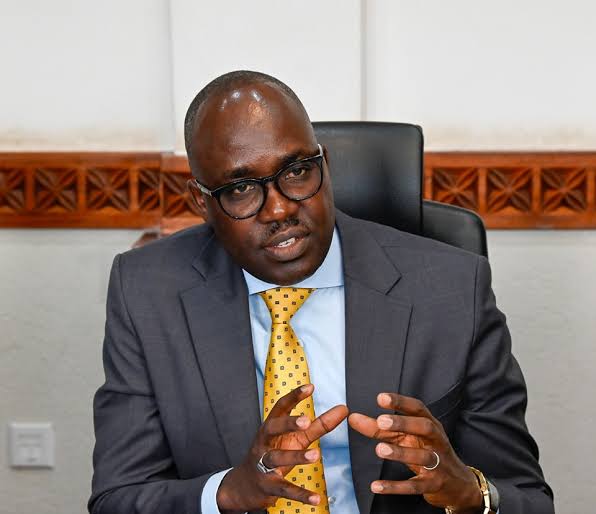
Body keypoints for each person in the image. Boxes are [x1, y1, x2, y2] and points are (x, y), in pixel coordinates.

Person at [89, 71, 554, 514]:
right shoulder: (147, 292)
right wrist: (227, 493)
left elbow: (528, 500)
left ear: (325, 165)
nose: (278, 209)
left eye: (296, 172)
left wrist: (469, 492)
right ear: (201, 202)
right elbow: (118, 498)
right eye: (241, 188)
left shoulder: (451, 288)